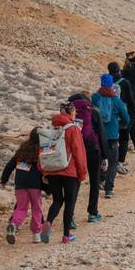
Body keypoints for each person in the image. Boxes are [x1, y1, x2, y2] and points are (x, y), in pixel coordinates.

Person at [40, 101, 87, 244]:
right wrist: (82, 173)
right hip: (70, 172)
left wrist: (44, 171)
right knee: (69, 203)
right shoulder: (73, 129)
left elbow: (44, 151)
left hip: (53, 170)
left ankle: (48, 222)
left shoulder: (52, 128)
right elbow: (78, 152)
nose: (75, 114)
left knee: (57, 201)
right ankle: (66, 235)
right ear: (70, 112)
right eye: (74, 112)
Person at [0, 129, 44, 244]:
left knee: (21, 207)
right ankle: (36, 234)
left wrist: (4, 180)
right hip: (34, 184)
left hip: (20, 183)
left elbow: (10, 165)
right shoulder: (41, 150)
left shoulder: (22, 148)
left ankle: (14, 224)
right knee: (36, 208)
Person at [91, 74, 130, 199]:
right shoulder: (116, 100)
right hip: (112, 136)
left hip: (97, 135)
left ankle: (99, 182)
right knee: (112, 163)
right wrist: (119, 124)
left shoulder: (95, 97)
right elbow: (127, 118)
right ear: (111, 84)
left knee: (99, 160)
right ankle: (109, 189)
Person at [69, 93, 105, 223]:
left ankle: (70, 217)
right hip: (92, 151)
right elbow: (101, 134)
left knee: (75, 183)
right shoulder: (93, 112)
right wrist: (105, 156)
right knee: (94, 182)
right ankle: (92, 213)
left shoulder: (69, 113)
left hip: (75, 152)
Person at [107, 62, 135, 176]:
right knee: (124, 139)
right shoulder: (125, 82)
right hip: (123, 115)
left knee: (112, 140)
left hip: (110, 116)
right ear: (119, 70)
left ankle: (109, 162)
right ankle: (120, 163)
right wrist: (134, 112)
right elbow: (130, 100)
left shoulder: (108, 83)